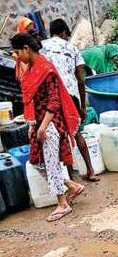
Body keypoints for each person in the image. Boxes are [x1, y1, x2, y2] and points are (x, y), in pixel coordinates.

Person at [11, 32, 86, 222]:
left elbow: (54, 102)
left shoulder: (46, 69)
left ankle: (62, 204)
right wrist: (32, 125)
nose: (17, 57)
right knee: (36, 163)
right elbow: (32, 101)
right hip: (40, 123)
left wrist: (43, 126)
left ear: (26, 49)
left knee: (51, 164)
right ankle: (72, 186)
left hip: (50, 124)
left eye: (18, 52)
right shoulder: (31, 69)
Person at [41, 19, 99, 182]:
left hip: (51, 96)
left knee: (60, 135)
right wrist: (81, 106)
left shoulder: (42, 47)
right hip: (71, 95)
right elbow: (80, 79)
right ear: (64, 33)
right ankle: (91, 170)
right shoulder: (72, 48)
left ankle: (71, 177)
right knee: (77, 132)